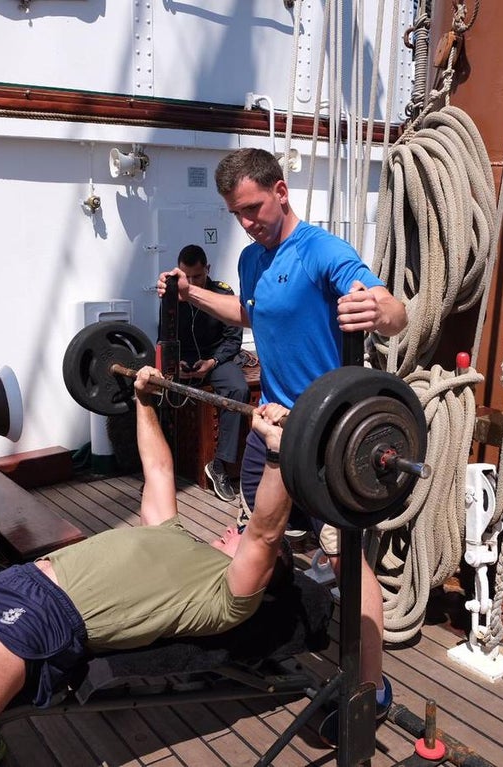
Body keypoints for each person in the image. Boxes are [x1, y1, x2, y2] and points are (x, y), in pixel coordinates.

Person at [0, 366, 292, 767]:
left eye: (240, 533)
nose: (234, 527)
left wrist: (277, 454)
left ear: (265, 571)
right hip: (4, 583)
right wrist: (143, 400)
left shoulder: (225, 596)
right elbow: (158, 468)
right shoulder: (171, 531)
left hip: (38, 620)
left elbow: (265, 533)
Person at [155, 147, 407, 745]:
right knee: (258, 543)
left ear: (281, 190)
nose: (247, 222)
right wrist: (190, 293)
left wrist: (382, 310)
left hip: (324, 438)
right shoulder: (251, 258)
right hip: (269, 432)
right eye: (236, 214)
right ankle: (265, 641)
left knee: (346, 561)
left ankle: (371, 688)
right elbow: (250, 313)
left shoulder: (322, 251)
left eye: (253, 208)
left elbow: (392, 310)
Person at [161, 243, 249, 503]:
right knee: (153, 387)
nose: (191, 283)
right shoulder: (170, 294)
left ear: (207, 269)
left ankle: (220, 466)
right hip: (183, 360)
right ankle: (162, 467)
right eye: (186, 277)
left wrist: (212, 361)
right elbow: (164, 335)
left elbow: (233, 339)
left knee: (238, 389)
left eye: (197, 276)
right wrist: (175, 363)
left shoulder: (222, 293)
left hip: (215, 359)